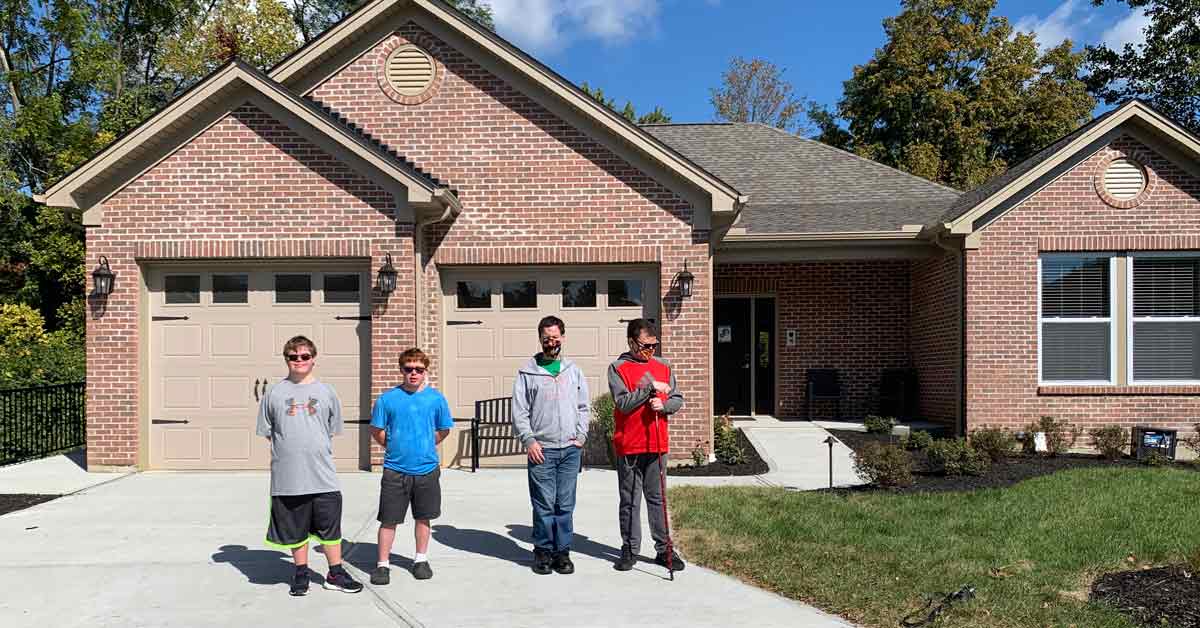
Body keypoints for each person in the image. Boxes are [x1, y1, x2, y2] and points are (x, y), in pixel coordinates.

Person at [256, 335, 363, 596]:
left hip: (322, 475)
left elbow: (330, 430)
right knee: (295, 529)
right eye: (293, 357)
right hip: (288, 477)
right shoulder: (274, 393)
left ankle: (335, 572)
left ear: (313, 359)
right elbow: (270, 432)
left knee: (330, 528)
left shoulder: (327, 392)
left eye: (304, 356)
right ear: (287, 360)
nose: (299, 361)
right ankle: (301, 572)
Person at [511, 315, 590, 575]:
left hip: (569, 449)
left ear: (563, 338)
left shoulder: (573, 371)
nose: (551, 342)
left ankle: (562, 552)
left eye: (555, 338)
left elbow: (583, 407)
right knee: (544, 504)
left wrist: (580, 437)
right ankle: (543, 552)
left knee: (565, 504)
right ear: (540, 340)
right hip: (541, 449)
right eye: (547, 339)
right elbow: (520, 412)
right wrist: (529, 440)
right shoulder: (527, 372)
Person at [369, 348, 454, 585]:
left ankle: (420, 559)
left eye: (419, 369)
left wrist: (427, 444)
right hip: (395, 470)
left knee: (423, 517)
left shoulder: (436, 399)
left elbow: (444, 428)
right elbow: (376, 430)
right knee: (388, 519)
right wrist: (394, 445)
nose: (413, 374)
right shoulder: (387, 399)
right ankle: (383, 564)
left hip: (426, 469)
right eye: (408, 369)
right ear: (401, 370)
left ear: (425, 371)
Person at [607, 318, 686, 572]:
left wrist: (664, 406)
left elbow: (677, 398)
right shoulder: (618, 368)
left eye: (654, 345)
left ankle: (664, 551)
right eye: (645, 346)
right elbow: (623, 403)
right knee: (630, 501)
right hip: (630, 445)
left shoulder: (664, 366)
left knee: (658, 499)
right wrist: (649, 388)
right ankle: (630, 550)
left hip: (657, 444)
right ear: (631, 342)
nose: (650, 351)